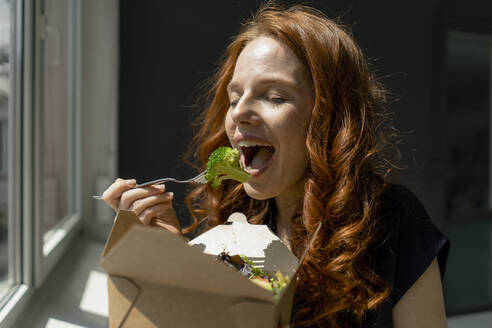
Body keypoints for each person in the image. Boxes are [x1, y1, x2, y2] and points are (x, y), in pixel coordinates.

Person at [101, 3, 450, 327]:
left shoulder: (392, 220)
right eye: (234, 98)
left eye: (274, 97)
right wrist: (171, 253)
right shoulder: (237, 223)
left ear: (330, 117)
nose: (238, 112)